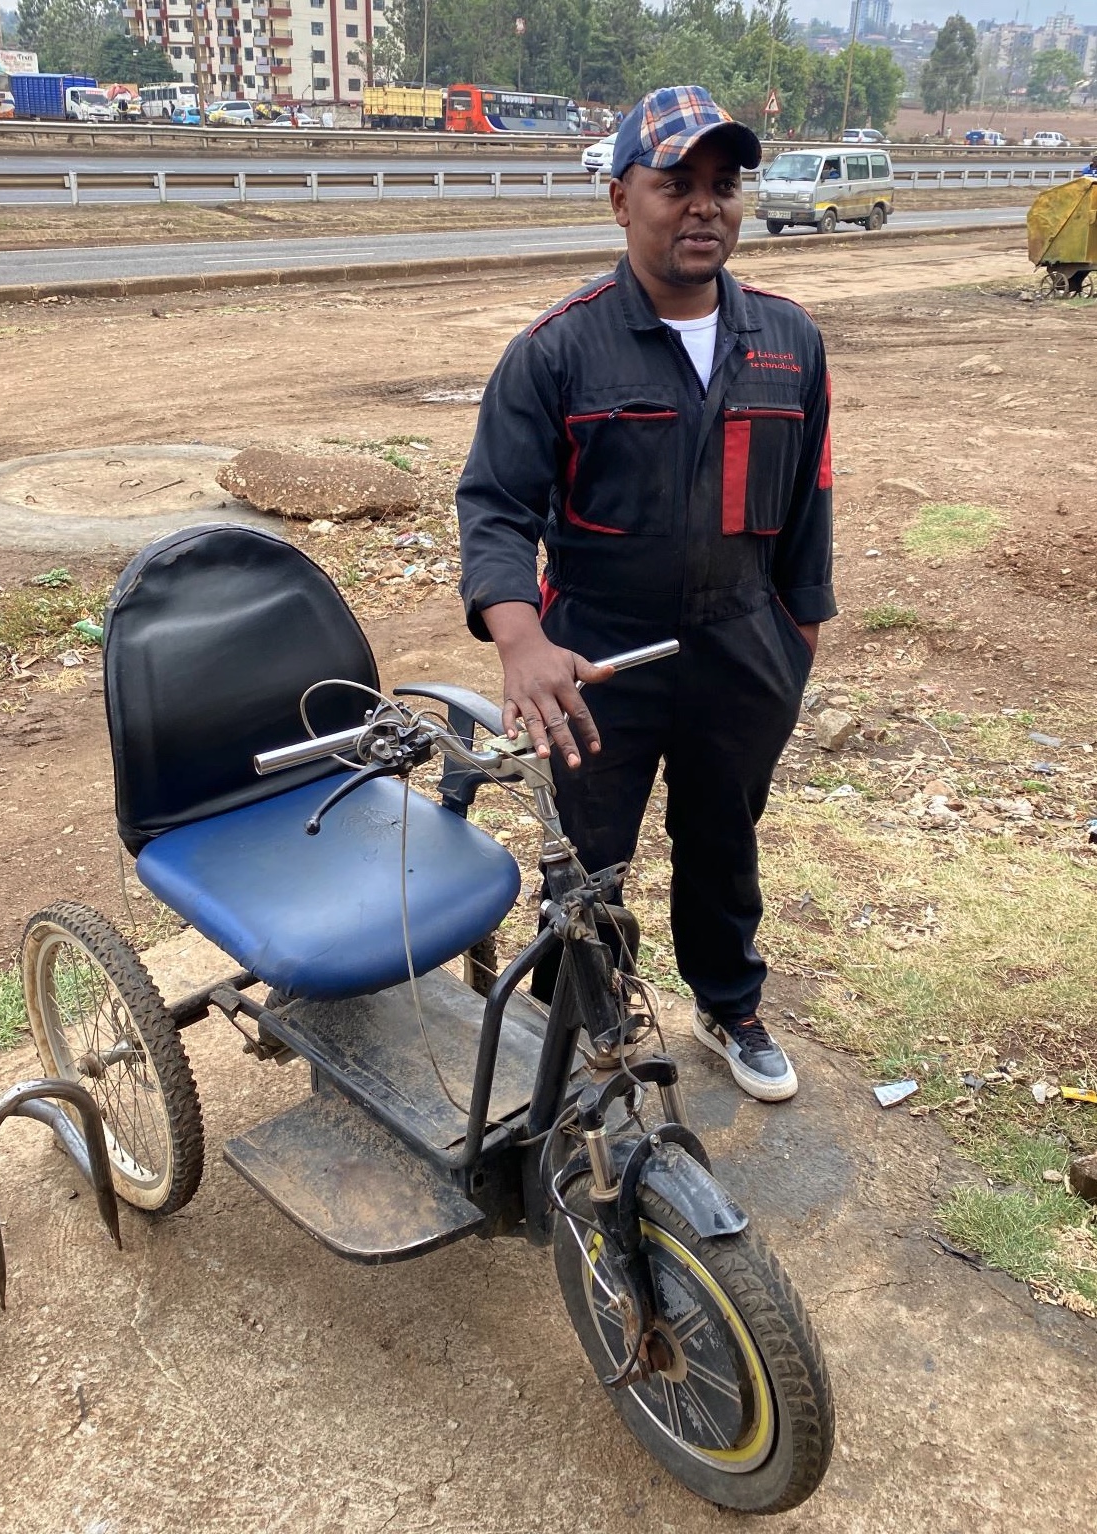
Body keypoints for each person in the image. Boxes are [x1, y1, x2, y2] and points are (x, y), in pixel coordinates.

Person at [457, 85, 835, 1103]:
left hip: (743, 643)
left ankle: (728, 1000)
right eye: (675, 185)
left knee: (723, 834)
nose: (703, 205)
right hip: (596, 652)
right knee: (590, 855)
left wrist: (795, 639)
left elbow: (809, 504)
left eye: (723, 185)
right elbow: (494, 506)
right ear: (621, 199)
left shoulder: (790, 342)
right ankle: (597, 996)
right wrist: (520, 641)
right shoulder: (558, 349)